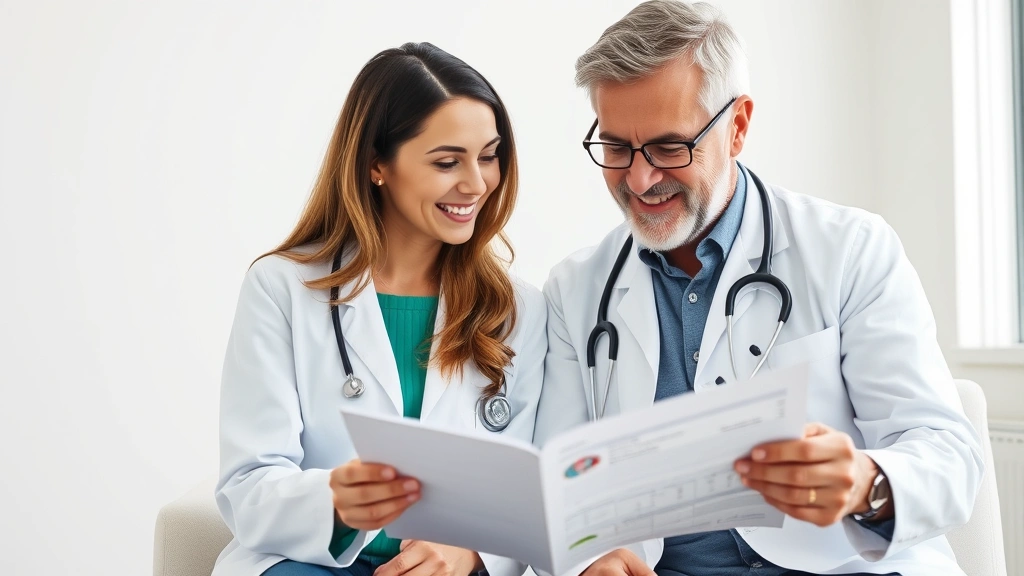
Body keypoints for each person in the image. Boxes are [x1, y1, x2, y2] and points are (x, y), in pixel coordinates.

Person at [534, 2, 982, 575]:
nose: (640, 180)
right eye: (617, 149)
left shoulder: (850, 249)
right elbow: (559, 485)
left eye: (670, 148)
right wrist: (590, 559)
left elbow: (949, 454)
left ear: (738, 126)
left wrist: (865, 483)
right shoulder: (576, 290)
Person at [213, 42, 546, 576]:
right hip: (309, 563)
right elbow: (248, 483)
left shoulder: (518, 308)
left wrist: (473, 552)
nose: (477, 183)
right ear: (376, 166)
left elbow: (531, 485)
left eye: (489, 156)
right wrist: (336, 503)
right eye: (447, 161)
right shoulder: (282, 288)